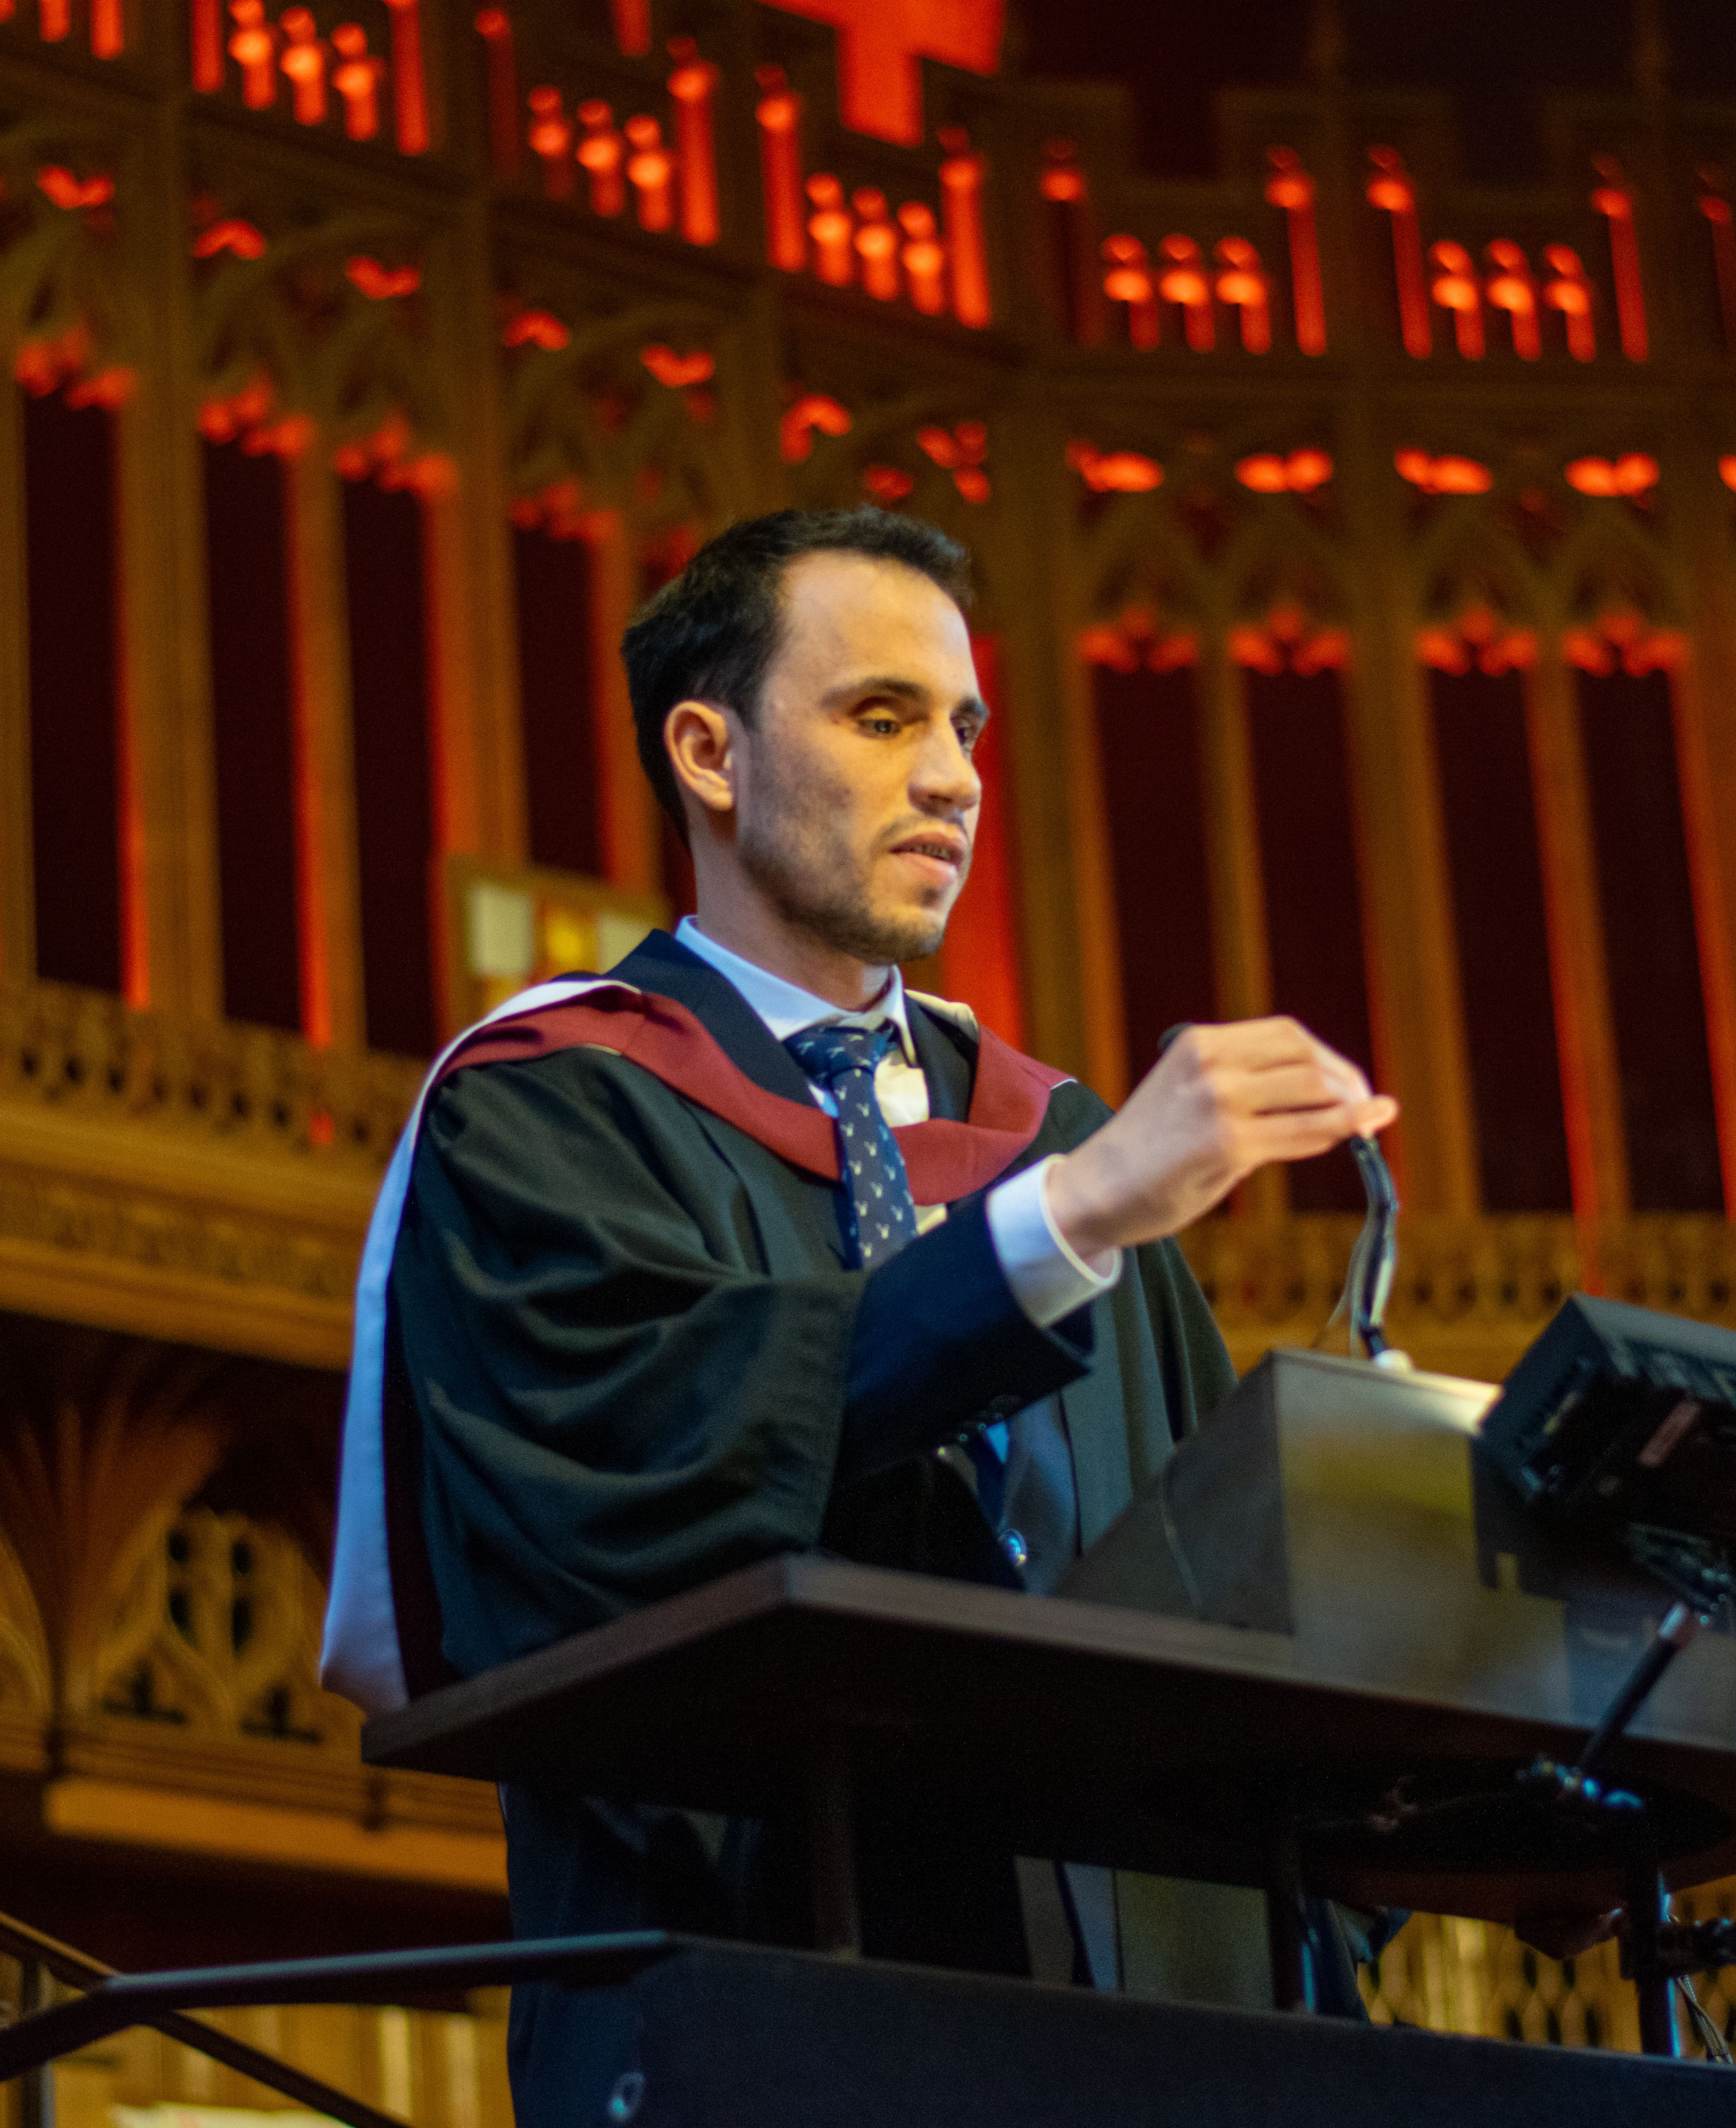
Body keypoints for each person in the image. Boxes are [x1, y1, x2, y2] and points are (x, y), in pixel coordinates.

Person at [318, 506, 1396, 2116]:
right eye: (880, 718)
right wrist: (1057, 1226)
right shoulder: (551, 1115)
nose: (955, 778)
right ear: (709, 749)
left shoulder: (1064, 1136)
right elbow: (636, 1481)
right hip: (752, 2024)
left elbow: (1221, 1601)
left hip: (1141, 2047)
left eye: (962, 727)